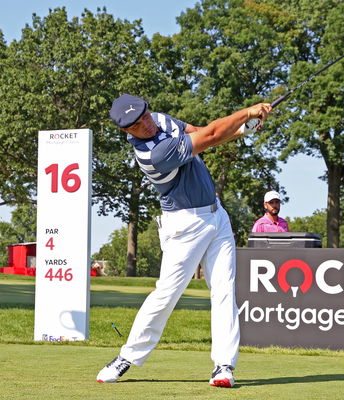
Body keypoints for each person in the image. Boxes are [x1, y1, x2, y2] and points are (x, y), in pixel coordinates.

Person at [96, 94, 272, 388]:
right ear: (127, 132)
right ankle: (127, 357)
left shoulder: (161, 120)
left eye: (146, 116)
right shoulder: (154, 154)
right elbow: (212, 136)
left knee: (225, 290)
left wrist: (244, 129)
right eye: (137, 125)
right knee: (167, 293)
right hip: (185, 224)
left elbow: (199, 130)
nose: (147, 125)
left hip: (217, 215)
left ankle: (224, 366)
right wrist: (247, 112)